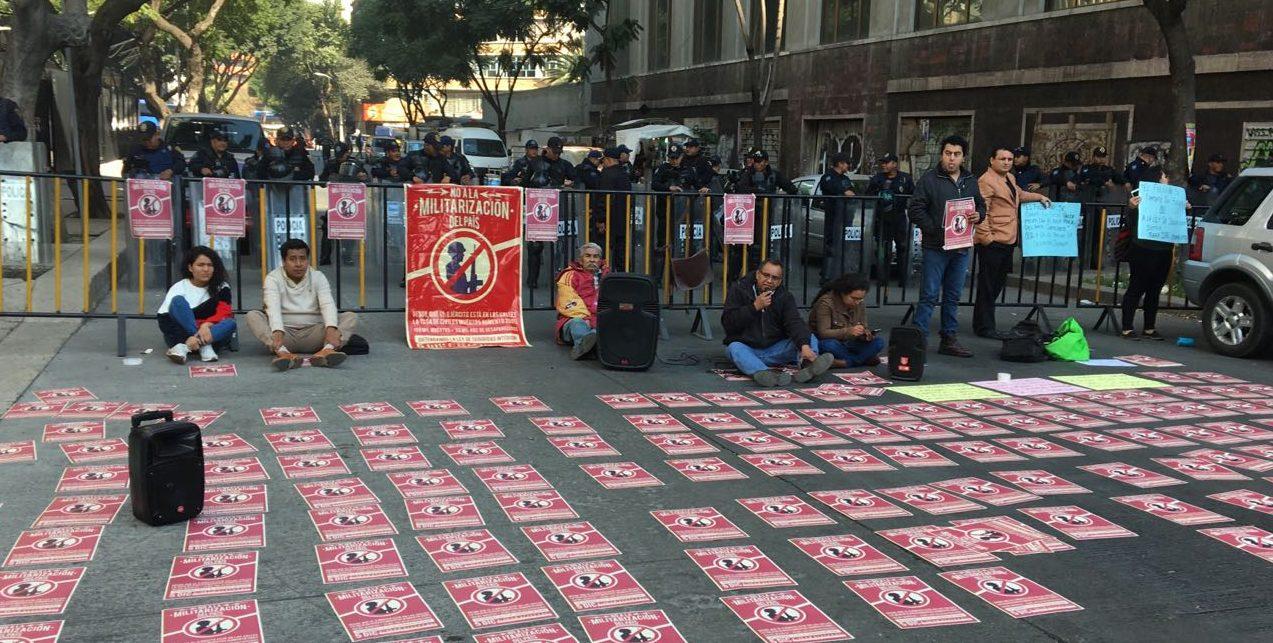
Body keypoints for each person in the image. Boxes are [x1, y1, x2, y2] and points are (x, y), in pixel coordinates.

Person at [907, 134, 986, 357]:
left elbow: (981, 204)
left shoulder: (970, 180)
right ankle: (918, 338)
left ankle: (948, 338)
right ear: (942, 154)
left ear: (963, 157)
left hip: (961, 247)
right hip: (935, 246)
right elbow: (915, 209)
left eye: (956, 154)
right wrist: (935, 229)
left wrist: (978, 215)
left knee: (953, 295)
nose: (952, 159)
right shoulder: (929, 179)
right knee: (930, 294)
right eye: (948, 153)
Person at [974, 146, 1052, 339]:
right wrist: (987, 238)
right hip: (993, 241)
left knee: (997, 283)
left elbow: (1020, 195)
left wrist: (1039, 196)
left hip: (1008, 239)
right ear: (992, 160)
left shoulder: (1009, 178)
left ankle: (985, 322)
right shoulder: (986, 180)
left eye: (1010, 159)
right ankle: (985, 326)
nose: (1007, 162)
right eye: (1003, 159)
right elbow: (981, 211)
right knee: (988, 285)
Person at [246, 239, 360, 370]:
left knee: (350, 316)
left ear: (308, 260)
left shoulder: (318, 276)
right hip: (284, 336)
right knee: (253, 315)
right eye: (292, 259)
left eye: (302, 258)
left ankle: (327, 351)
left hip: (316, 334)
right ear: (284, 261)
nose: (298, 264)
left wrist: (331, 330)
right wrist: (277, 330)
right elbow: (272, 307)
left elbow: (327, 304)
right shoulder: (272, 278)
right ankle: (283, 354)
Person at [722, 258, 834, 387]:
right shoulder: (739, 290)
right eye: (766, 275)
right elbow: (728, 323)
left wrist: (804, 346)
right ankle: (763, 373)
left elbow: (794, 322)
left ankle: (807, 365)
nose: (769, 281)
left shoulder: (784, 296)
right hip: (749, 348)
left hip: (776, 348)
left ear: (780, 281)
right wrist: (754, 307)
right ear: (758, 274)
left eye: (774, 278)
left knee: (809, 337)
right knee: (734, 348)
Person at [1120, 168, 1175, 341]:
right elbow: (1130, 221)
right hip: (1142, 248)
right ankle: (1127, 327)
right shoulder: (1140, 197)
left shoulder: (1172, 199)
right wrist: (1131, 208)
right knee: (1136, 287)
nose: (1167, 179)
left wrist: (1185, 209)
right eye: (1164, 176)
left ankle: (1149, 327)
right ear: (1156, 180)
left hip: (1164, 249)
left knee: (1155, 289)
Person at [158, 246, 236, 364]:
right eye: (200, 265)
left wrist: (206, 325)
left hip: (211, 336)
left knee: (230, 323)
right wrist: (190, 336)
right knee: (177, 301)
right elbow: (164, 320)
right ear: (190, 267)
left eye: (210, 265)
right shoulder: (179, 287)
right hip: (182, 337)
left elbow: (224, 312)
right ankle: (200, 345)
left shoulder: (222, 286)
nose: (206, 269)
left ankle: (187, 348)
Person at [809, 273, 884, 368]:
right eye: (853, 298)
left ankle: (843, 362)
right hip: (832, 342)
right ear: (843, 293)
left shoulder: (860, 304)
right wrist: (849, 331)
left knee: (879, 342)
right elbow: (823, 333)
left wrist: (865, 334)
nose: (857, 302)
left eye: (860, 299)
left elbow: (864, 326)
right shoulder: (826, 303)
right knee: (829, 345)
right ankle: (862, 359)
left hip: (850, 343)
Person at [866, 153, 915, 286]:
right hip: (882, 219)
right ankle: (882, 280)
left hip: (899, 217)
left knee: (902, 248)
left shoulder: (905, 178)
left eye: (887, 162)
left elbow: (914, 195)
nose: (883, 165)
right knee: (883, 249)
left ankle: (903, 280)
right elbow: (868, 195)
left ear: (894, 164)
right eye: (883, 162)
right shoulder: (877, 179)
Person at [555, 243, 609, 360]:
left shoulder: (608, 277)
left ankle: (589, 346)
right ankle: (585, 345)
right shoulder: (569, 275)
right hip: (575, 319)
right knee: (578, 324)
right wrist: (588, 319)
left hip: (599, 319)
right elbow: (568, 302)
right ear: (580, 259)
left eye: (596, 257)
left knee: (604, 326)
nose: (592, 260)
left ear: (600, 260)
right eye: (588, 256)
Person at [816, 152, 858, 284]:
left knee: (844, 246)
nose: (848, 166)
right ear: (840, 163)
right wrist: (843, 192)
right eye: (846, 163)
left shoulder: (845, 178)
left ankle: (841, 274)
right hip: (833, 216)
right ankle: (827, 276)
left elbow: (851, 192)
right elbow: (836, 189)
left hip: (846, 216)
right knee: (831, 245)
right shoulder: (828, 177)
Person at [594, 147, 633, 261]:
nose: (603, 163)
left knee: (602, 252)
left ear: (608, 159)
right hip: (622, 219)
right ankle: (621, 276)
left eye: (604, 160)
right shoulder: (624, 174)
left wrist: (601, 219)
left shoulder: (606, 175)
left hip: (608, 219)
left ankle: (603, 276)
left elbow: (602, 198)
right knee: (621, 253)